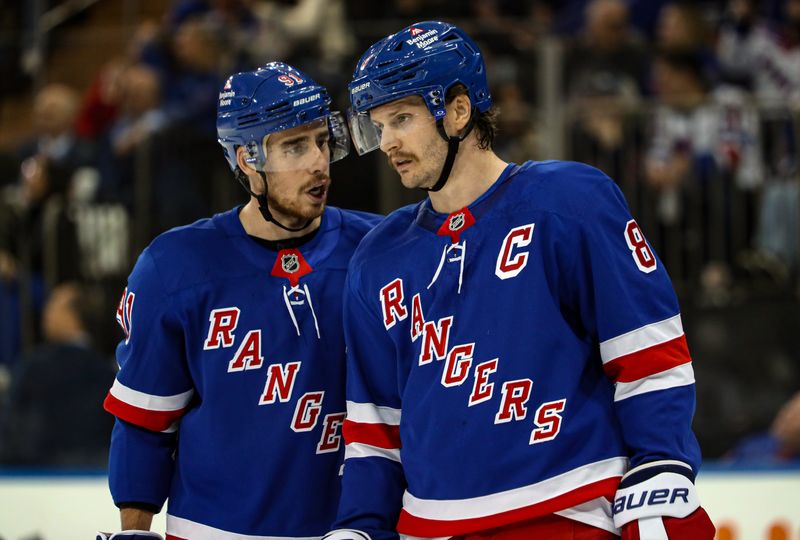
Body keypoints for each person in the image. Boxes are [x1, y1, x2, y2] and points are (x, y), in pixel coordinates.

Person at [324, 21, 716, 540]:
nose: (387, 142)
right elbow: (376, 429)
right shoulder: (378, 258)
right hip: (432, 527)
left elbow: (648, 350)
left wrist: (660, 463)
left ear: (458, 110)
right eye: (378, 125)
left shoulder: (568, 202)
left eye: (401, 118)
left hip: (568, 510)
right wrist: (360, 526)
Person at [97, 62, 380, 540]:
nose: (318, 162)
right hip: (212, 530)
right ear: (247, 159)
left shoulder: (378, 248)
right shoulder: (174, 267)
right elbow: (144, 420)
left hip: (351, 530)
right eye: (293, 146)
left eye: (320, 140)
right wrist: (134, 530)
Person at [0, 281, 115, 466]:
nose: (46, 314)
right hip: (95, 479)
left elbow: (12, 433)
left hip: (32, 479)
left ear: (74, 317)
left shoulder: (35, 367)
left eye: (53, 306)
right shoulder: (108, 372)